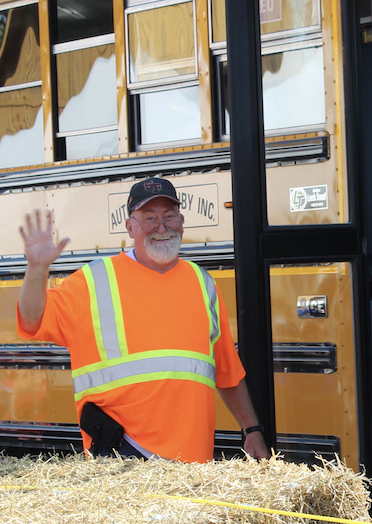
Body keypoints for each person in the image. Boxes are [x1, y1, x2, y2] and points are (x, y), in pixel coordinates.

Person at [17, 177, 271, 462]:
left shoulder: (202, 283)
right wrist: (37, 269)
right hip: (123, 459)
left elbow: (226, 371)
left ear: (182, 221)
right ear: (130, 227)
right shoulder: (92, 281)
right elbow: (32, 320)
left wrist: (252, 429)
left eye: (169, 216)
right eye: (149, 217)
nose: (161, 227)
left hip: (193, 464)